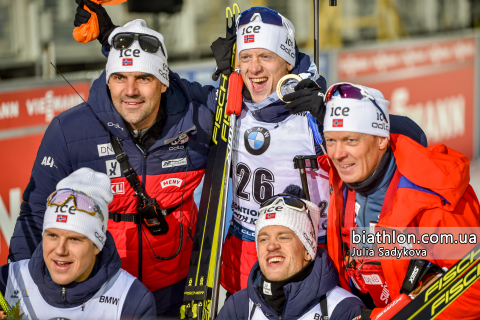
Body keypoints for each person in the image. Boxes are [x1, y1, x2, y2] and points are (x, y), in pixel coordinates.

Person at [8, 16, 217, 317]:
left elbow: (253, 98)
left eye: (143, 78)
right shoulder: (69, 130)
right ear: (108, 80)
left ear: (162, 83)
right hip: (101, 298)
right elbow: (35, 214)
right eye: (119, 77)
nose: (130, 90)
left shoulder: (198, 122)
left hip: (179, 290)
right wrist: (16, 299)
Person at [317, 83, 480, 319]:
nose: (338, 154)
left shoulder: (434, 196)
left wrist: (393, 314)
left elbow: (473, 288)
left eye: (350, 140)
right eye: (331, 141)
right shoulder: (338, 182)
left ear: (382, 140)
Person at [0, 168, 155, 320]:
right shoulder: (7, 281)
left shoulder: (131, 299)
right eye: (52, 235)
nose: (60, 250)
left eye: (74, 239)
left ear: (96, 246)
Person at [217, 189, 365, 320]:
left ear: (308, 250)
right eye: (263, 239)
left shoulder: (342, 309)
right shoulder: (239, 306)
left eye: (283, 237)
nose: (271, 246)